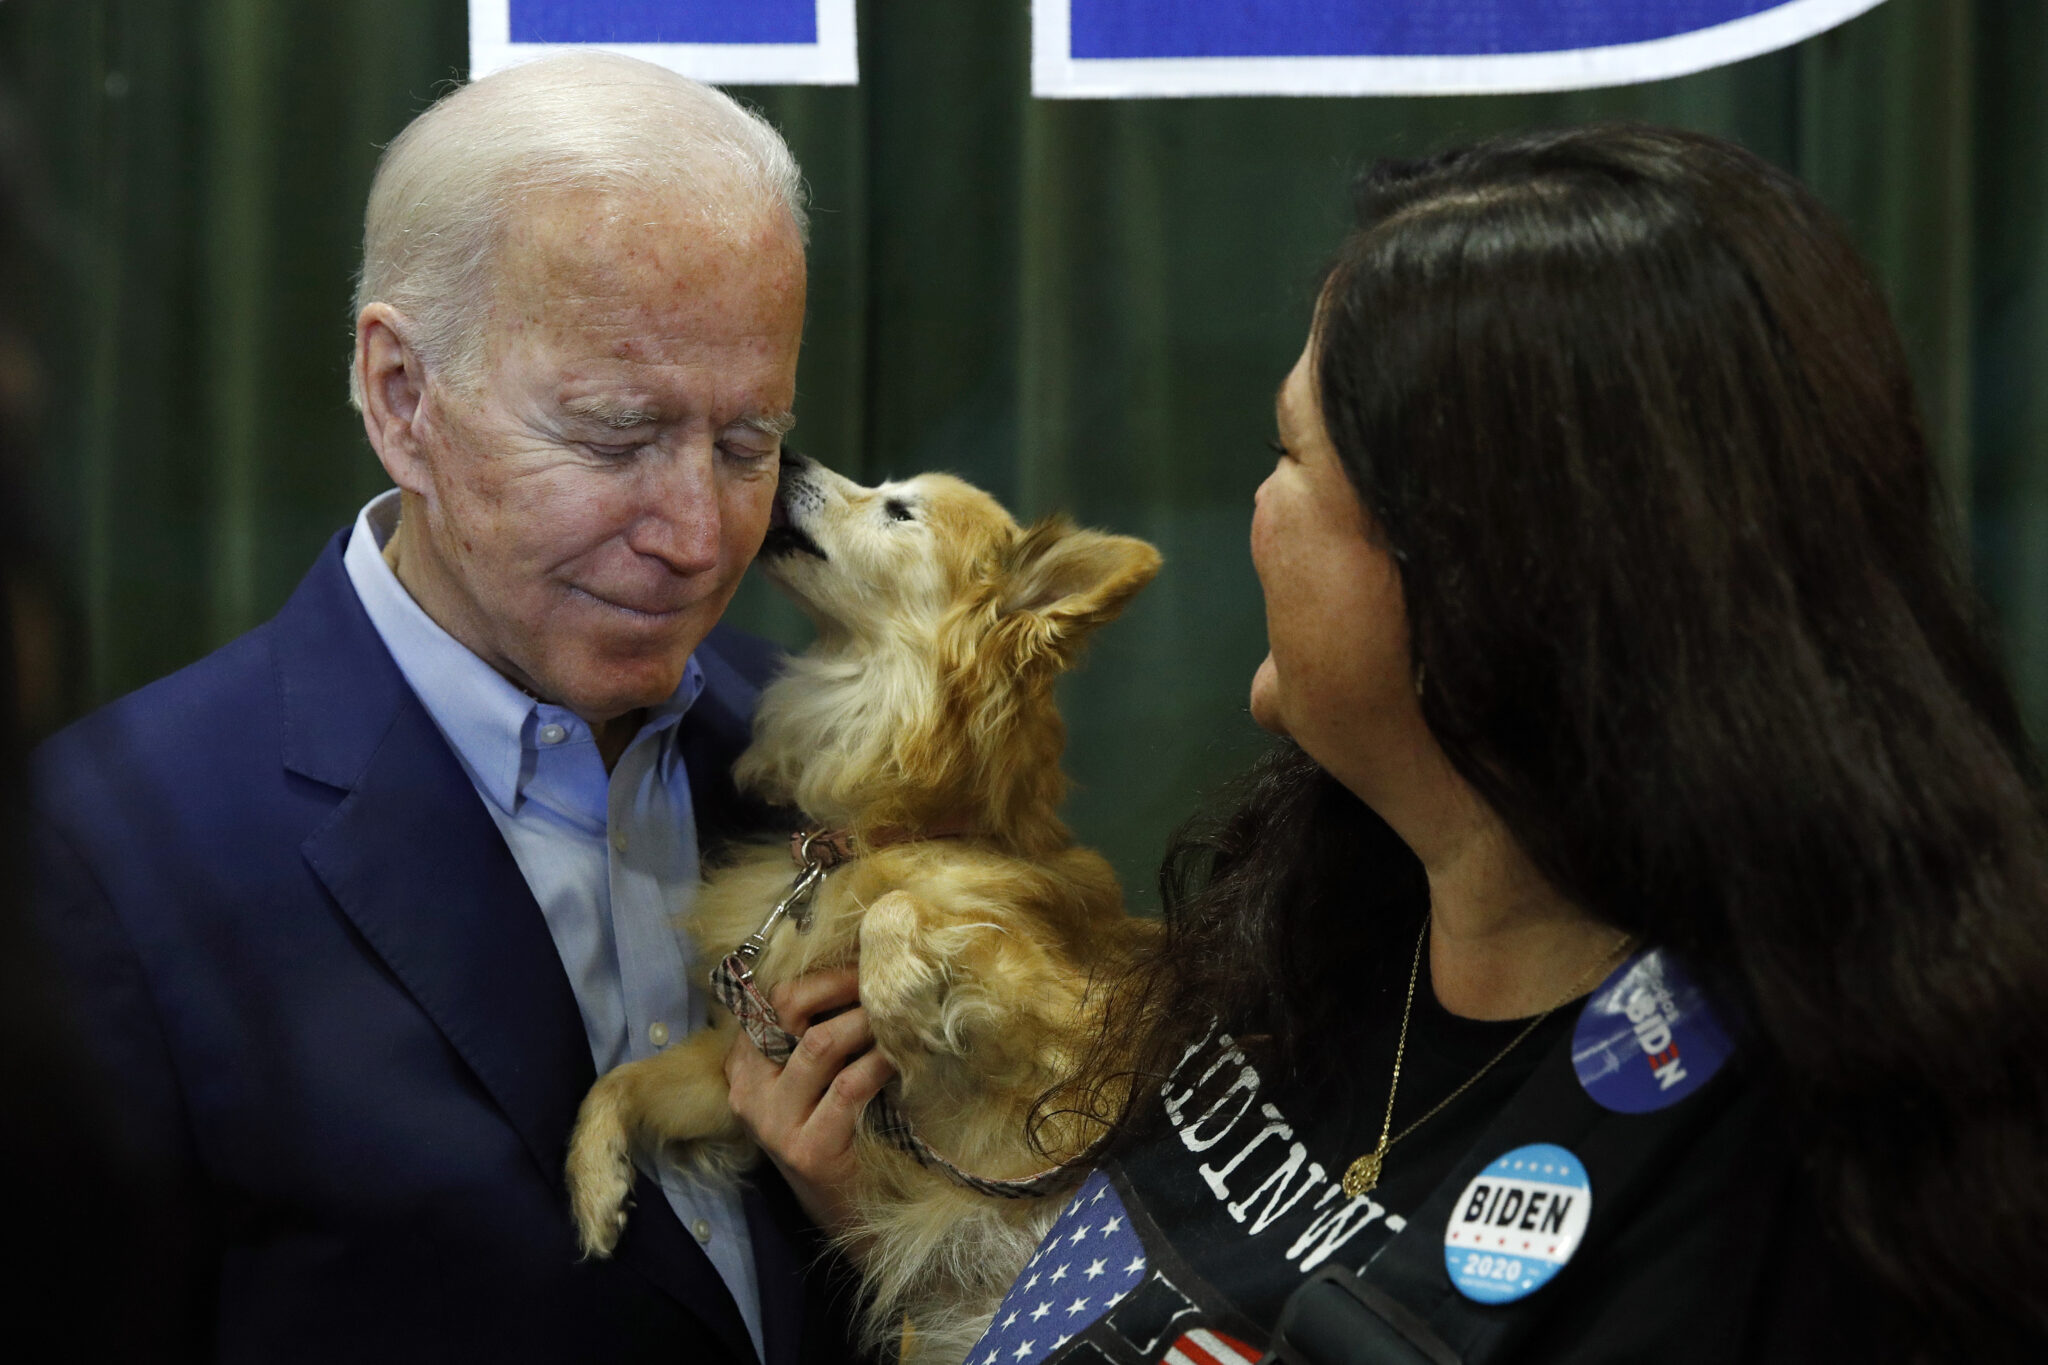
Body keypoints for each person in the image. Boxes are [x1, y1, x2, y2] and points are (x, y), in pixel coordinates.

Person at [967, 125, 2048, 1364]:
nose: (1258, 507)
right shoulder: (1323, 915)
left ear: (1480, 586)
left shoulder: (1811, 1200)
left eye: (1289, 453)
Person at [31, 52, 884, 1364]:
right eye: (613, 437)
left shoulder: (830, 767)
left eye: (747, 444)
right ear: (401, 398)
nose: (698, 533)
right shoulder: (105, 855)